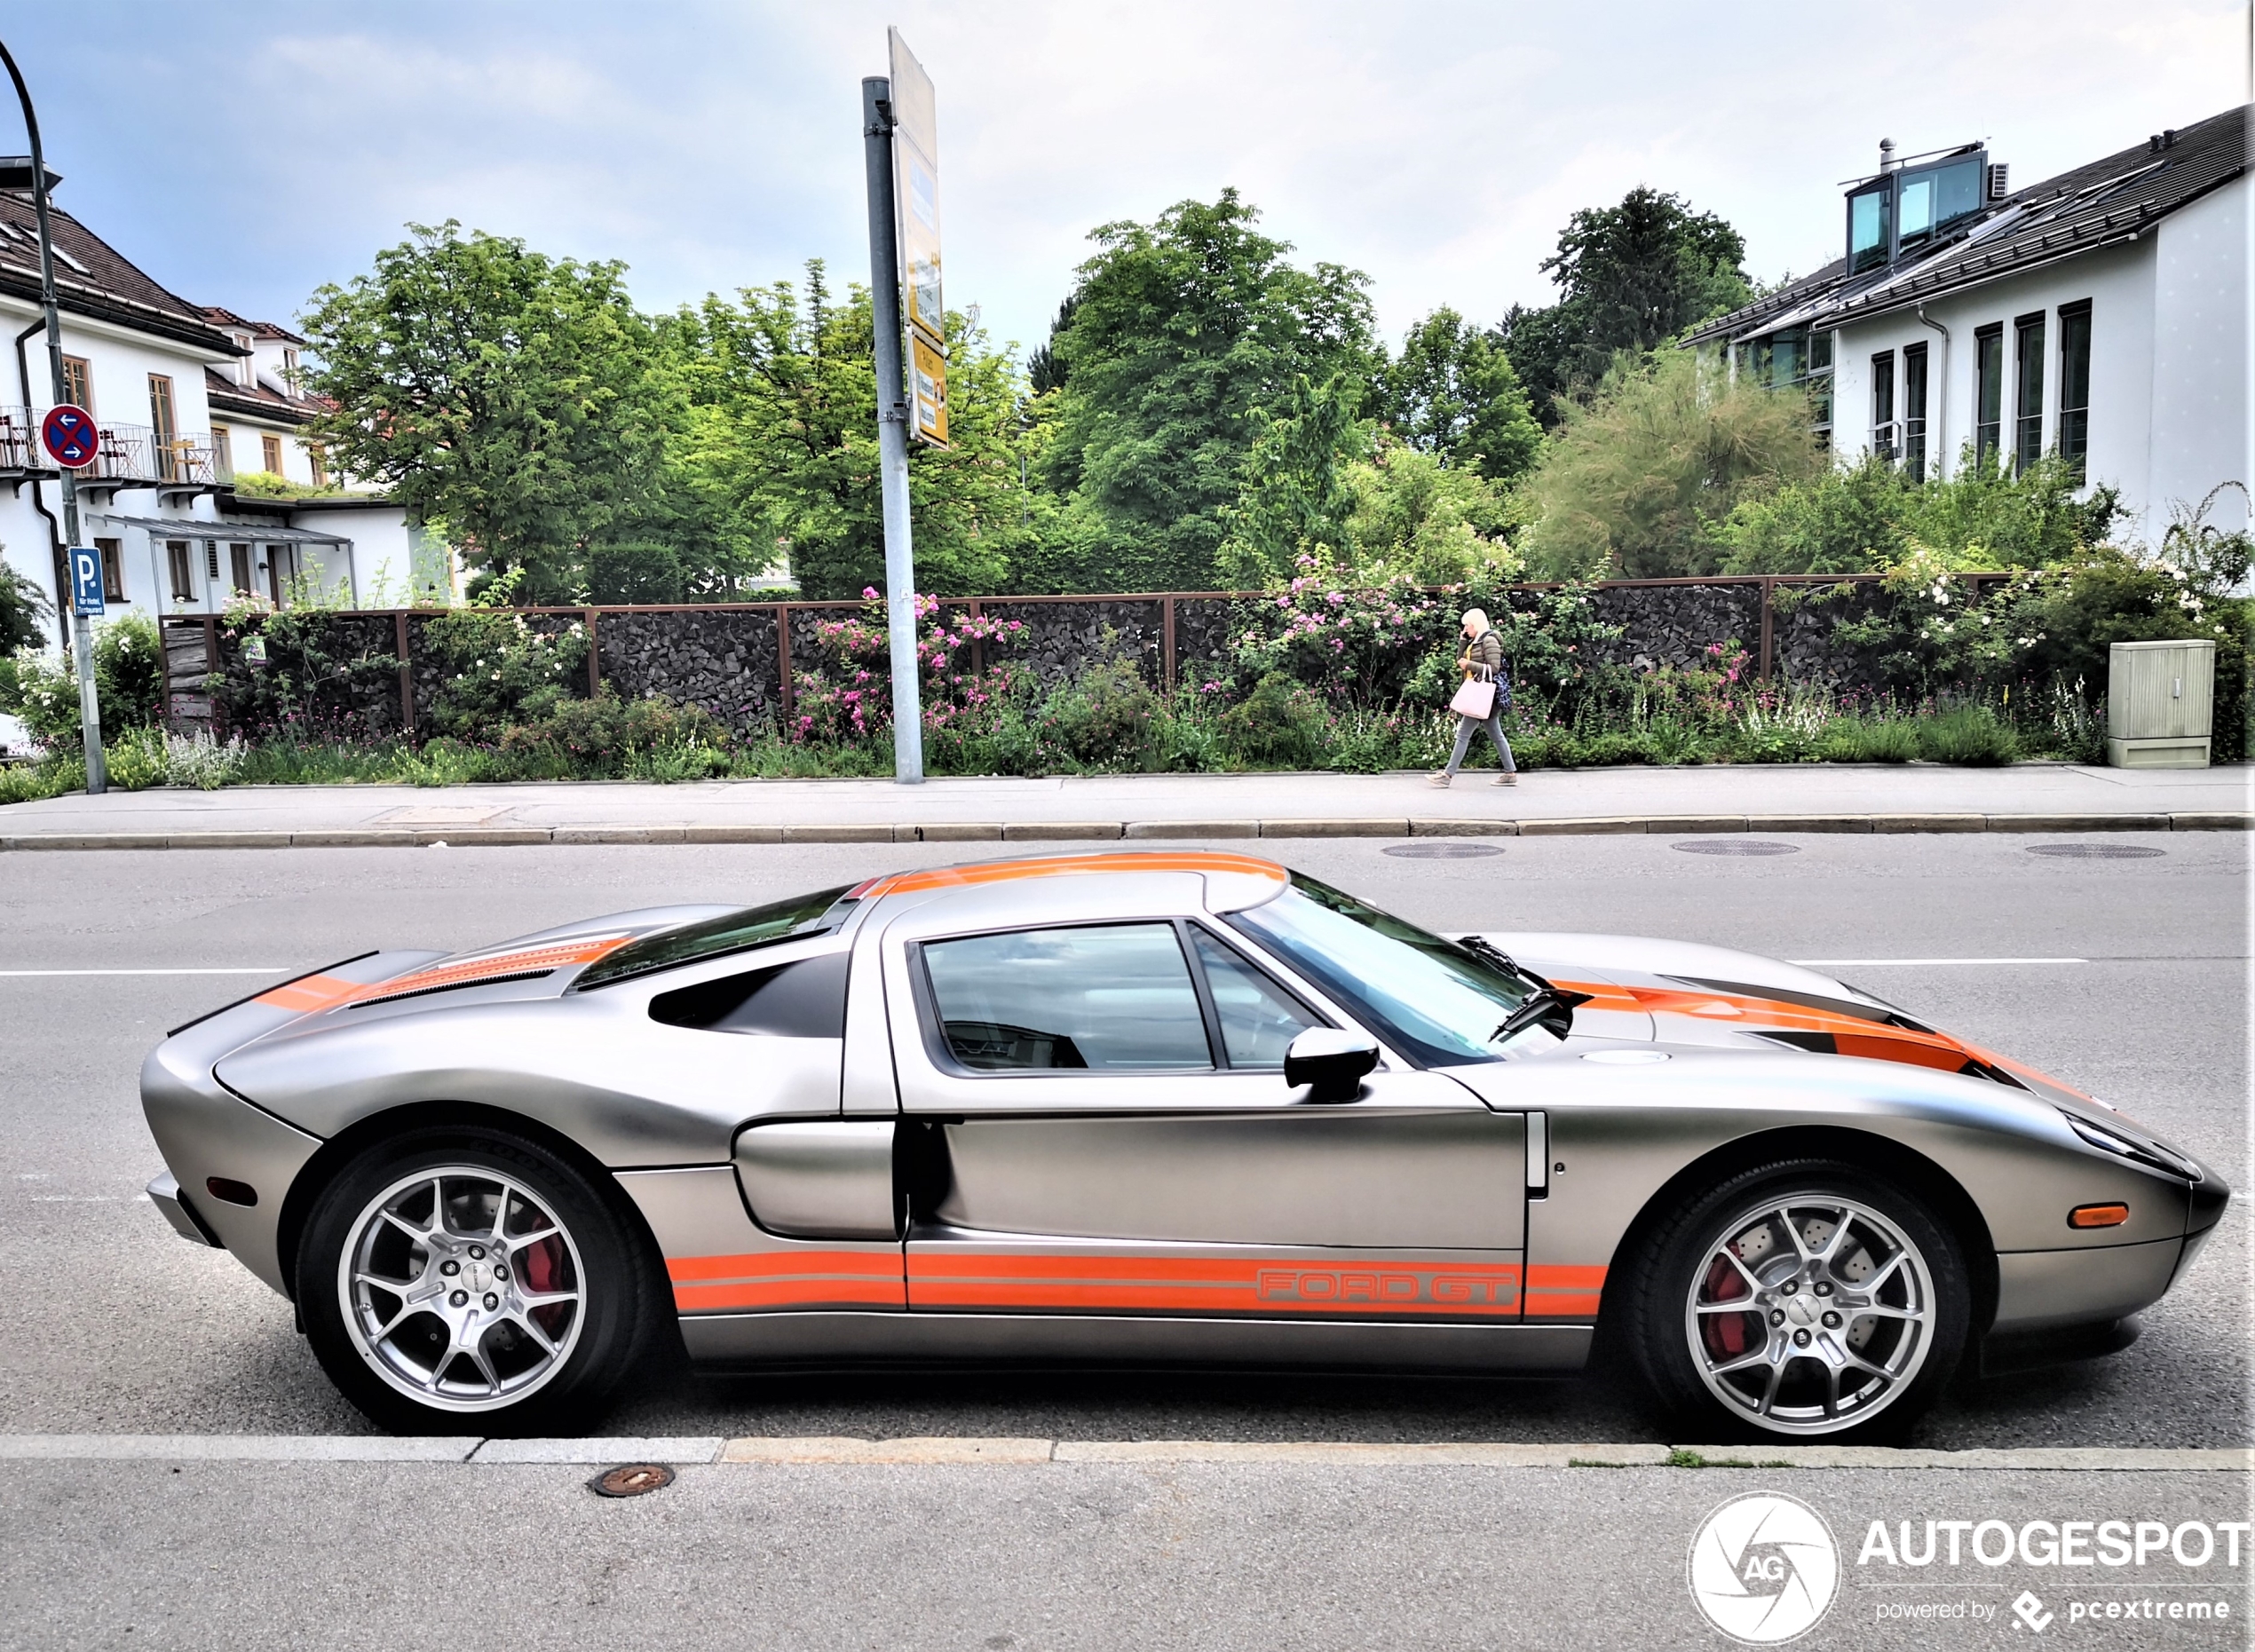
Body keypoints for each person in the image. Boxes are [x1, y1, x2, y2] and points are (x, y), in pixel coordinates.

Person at [1429, 608, 1516, 786]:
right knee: (1497, 736)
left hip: (1484, 696)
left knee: (1462, 735)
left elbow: (1494, 668)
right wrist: (1463, 642)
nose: (1465, 628)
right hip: (1482, 697)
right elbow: (1461, 661)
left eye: (1467, 625)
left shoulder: (1489, 640)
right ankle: (1510, 773)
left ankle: (1447, 776)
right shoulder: (1476, 642)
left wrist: (1470, 664)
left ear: (1476, 624)